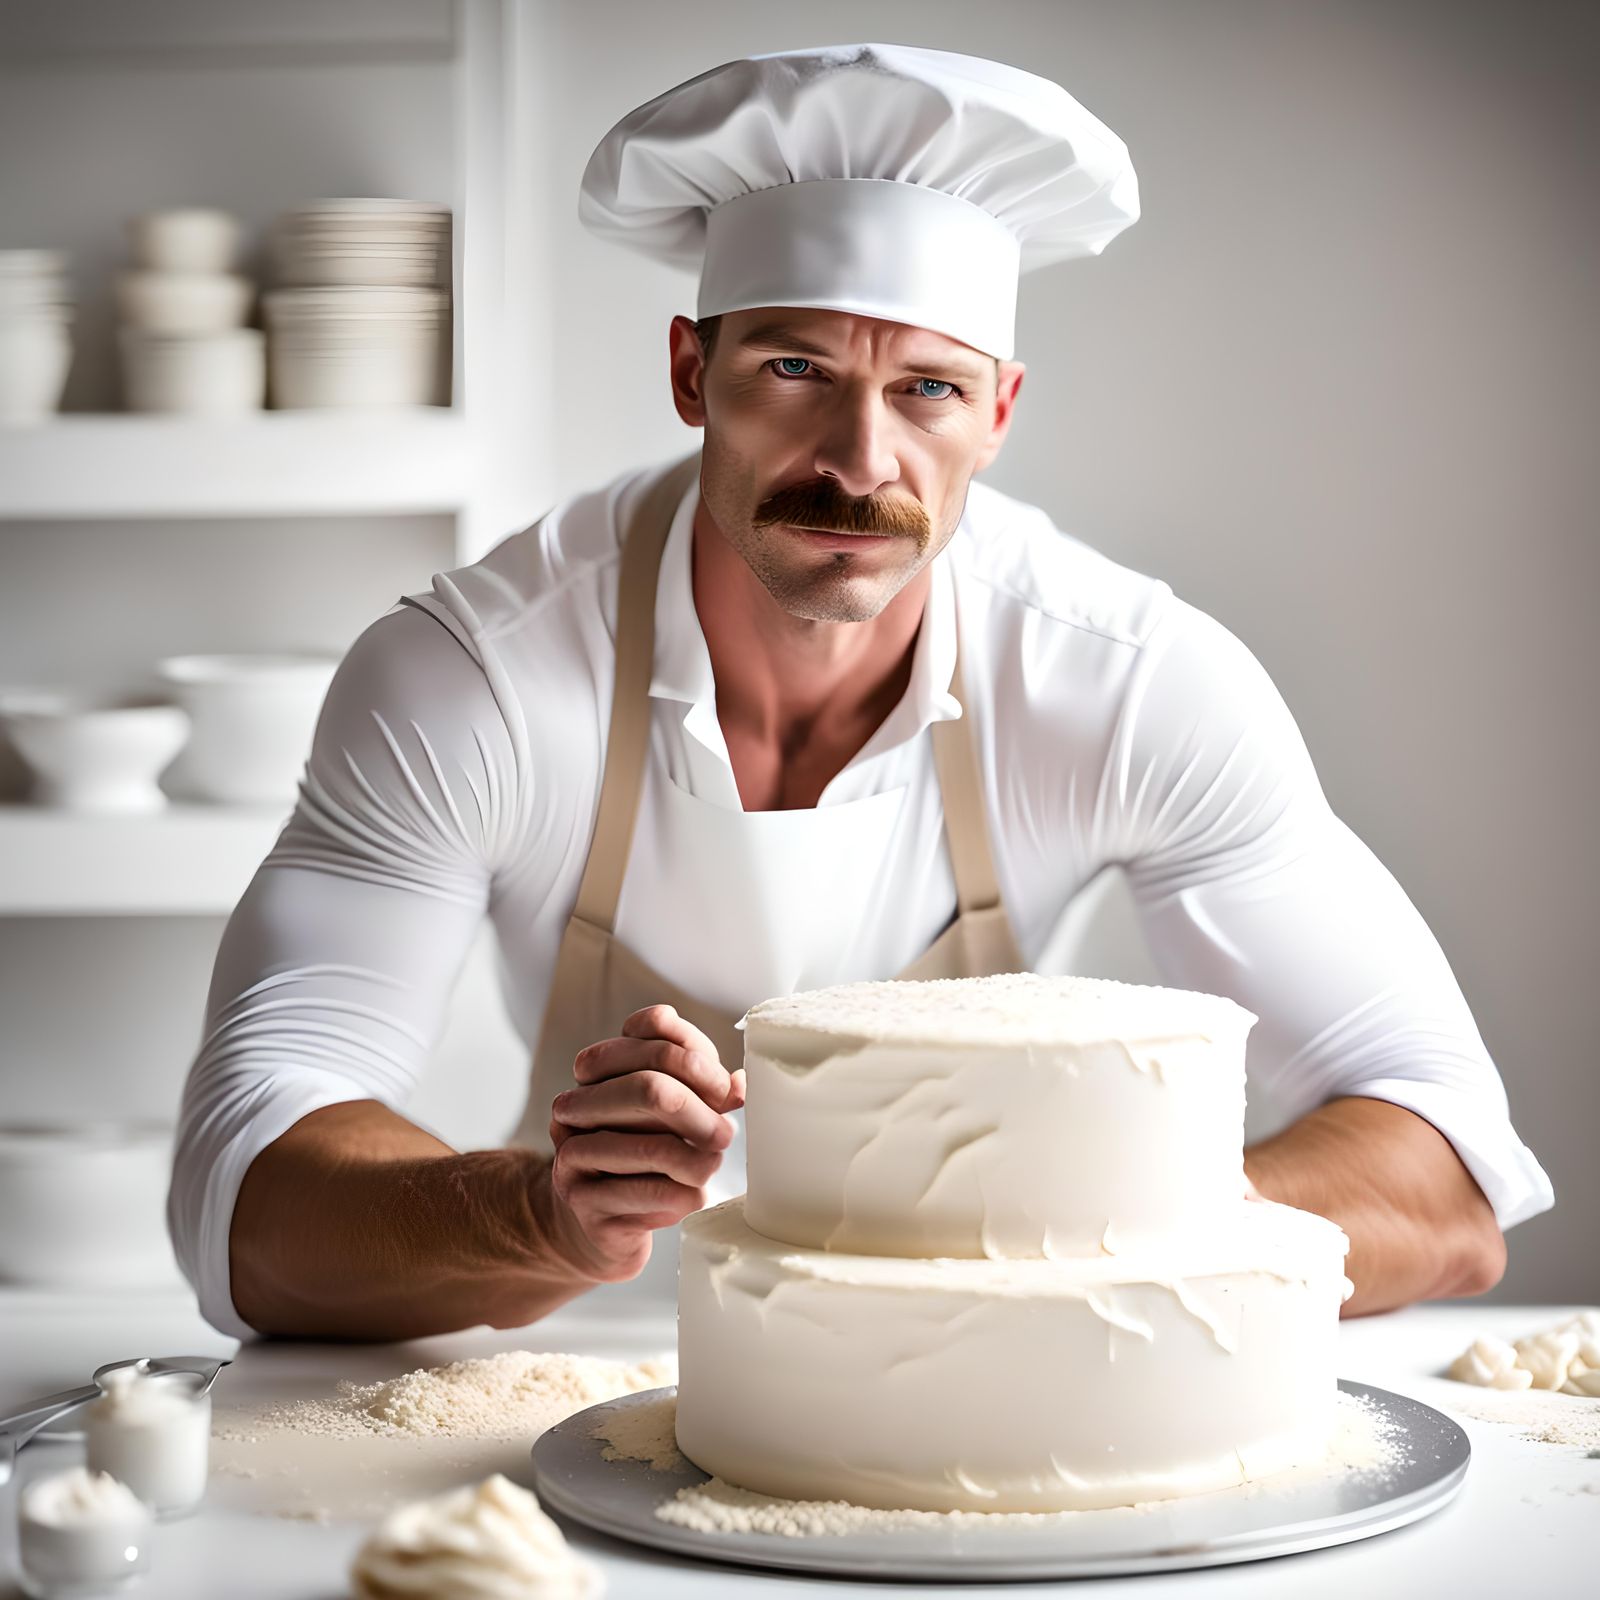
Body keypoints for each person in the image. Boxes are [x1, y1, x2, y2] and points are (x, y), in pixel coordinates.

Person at [167, 43, 1552, 1342]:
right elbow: (244, 1197)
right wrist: (543, 1211)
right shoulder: (476, 679)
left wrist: (1103, 1228)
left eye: (929, 390)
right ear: (689, 372)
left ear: (999, 415)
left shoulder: (1126, 684)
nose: (857, 459)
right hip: (583, 1372)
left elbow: (1449, 1181)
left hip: (1002, 1355)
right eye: (793, 369)